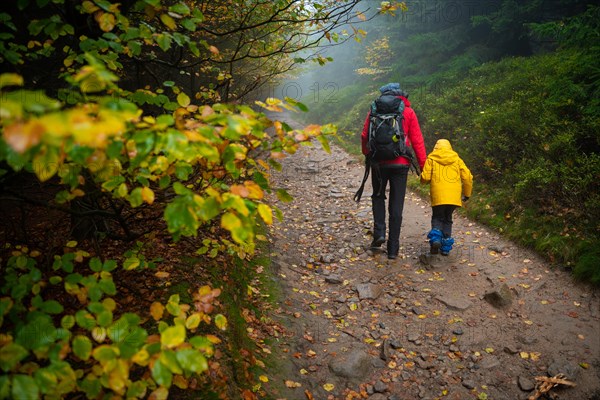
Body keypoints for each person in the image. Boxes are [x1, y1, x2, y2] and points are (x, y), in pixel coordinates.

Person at [360, 83, 427, 259]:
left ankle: (380, 232)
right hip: (401, 164)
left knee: (378, 196)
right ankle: (393, 249)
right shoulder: (408, 112)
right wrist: (423, 167)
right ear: (401, 96)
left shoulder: (375, 110)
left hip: (379, 163)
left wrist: (368, 153)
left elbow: (365, 136)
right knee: (396, 205)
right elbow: (417, 140)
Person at [420, 139, 473, 256]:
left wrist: (422, 180)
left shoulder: (432, 159)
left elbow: (425, 177)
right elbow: (468, 177)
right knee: (448, 219)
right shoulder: (457, 159)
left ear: (436, 147)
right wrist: (467, 194)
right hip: (454, 198)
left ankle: (436, 241)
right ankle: (445, 248)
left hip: (439, 196)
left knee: (438, 217)